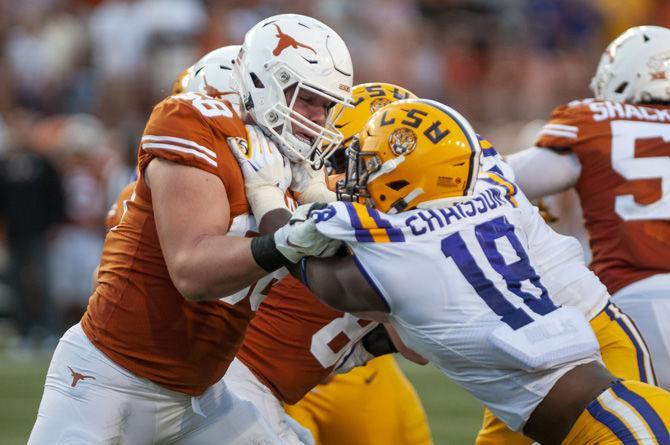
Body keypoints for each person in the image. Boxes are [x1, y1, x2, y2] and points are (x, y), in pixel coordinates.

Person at [255, 98, 670, 444]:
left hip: (614, 424)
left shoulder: (399, 256)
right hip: (606, 405)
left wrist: (267, 193)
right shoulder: (491, 186)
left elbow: (297, 255)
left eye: (365, 164)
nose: (354, 180)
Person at [29, 13, 351, 444]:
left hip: (202, 395)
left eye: (326, 105)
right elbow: (192, 272)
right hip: (108, 383)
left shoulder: (290, 166)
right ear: (262, 81)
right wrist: (286, 241)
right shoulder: (193, 122)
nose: (319, 118)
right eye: (307, 98)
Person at [226, 83, 432, 445]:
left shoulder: (346, 203)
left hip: (261, 385)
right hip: (238, 383)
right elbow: (416, 344)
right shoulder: (352, 211)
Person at [507, 25, 670, 391]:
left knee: (613, 426)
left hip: (633, 299)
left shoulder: (597, 123)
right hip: (632, 297)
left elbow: (506, 181)